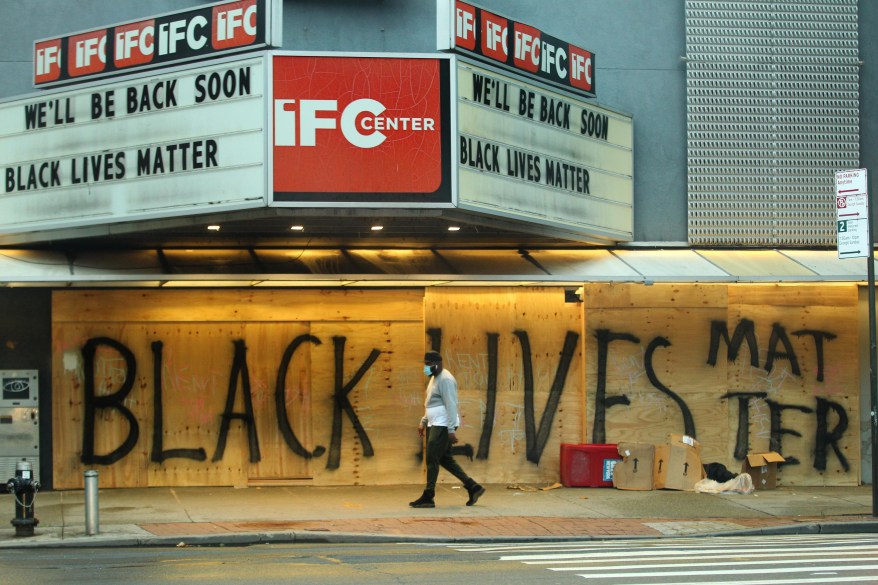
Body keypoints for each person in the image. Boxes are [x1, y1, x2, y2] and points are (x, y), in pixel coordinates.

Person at [409, 350, 485, 508]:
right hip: (434, 423)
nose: (426, 367)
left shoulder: (446, 380)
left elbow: (451, 405)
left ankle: (429, 496)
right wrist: (423, 422)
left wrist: (451, 430)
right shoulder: (434, 378)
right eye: (425, 364)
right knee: (444, 458)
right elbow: (432, 403)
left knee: (431, 457)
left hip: (443, 424)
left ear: (437, 363)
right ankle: (473, 487)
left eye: (428, 364)